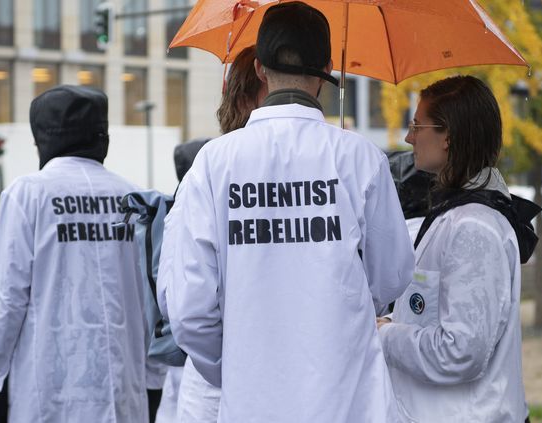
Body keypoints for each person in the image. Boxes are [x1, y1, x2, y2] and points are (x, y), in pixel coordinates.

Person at [160, 2, 414, 421]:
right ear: (327, 68)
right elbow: (392, 275)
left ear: (259, 68)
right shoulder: (361, 159)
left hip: (251, 403)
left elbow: (189, 309)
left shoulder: (214, 162)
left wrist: (234, 369)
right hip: (348, 400)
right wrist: (341, 304)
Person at [0, 85, 165, 423]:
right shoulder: (134, 199)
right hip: (124, 398)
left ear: (42, 140)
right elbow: (153, 307)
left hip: (48, 398)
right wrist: (152, 386)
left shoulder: (28, 195)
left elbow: (4, 305)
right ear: (102, 136)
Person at [377, 75, 530, 422]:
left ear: (448, 136)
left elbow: (461, 351)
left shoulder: (474, 229)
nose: (408, 137)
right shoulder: (456, 215)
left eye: (417, 125)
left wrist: (386, 334)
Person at [156, 46, 268, 423]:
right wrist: (229, 368)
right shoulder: (206, 174)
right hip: (217, 391)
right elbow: (183, 306)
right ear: (247, 97)